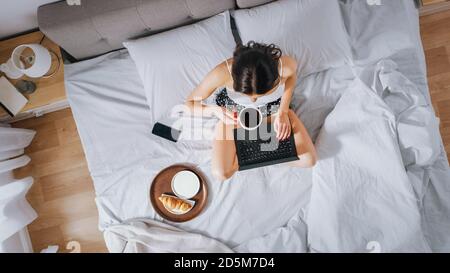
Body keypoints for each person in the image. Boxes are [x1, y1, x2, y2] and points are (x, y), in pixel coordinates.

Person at [185, 41, 317, 181]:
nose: (254, 100)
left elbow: (292, 77)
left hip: (273, 111)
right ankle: (264, 155)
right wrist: (213, 110)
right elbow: (189, 104)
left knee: (309, 160)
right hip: (234, 116)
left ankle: (255, 155)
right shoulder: (222, 73)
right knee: (221, 173)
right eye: (248, 95)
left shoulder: (286, 66)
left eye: (261, 95)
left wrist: (283, 112)